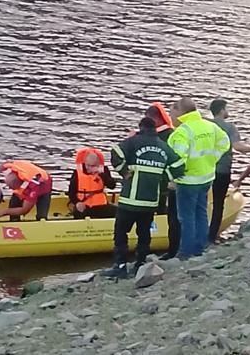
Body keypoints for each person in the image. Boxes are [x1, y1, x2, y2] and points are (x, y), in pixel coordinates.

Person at [102, 117, 185, 278]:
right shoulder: (163, 146)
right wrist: (164, 178)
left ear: (141, 127)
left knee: (120, 233)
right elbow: (180, 165)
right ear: (155, 129)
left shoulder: (133, 142)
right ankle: (140, 264)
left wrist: (124, 171)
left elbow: (115, 152)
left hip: (129, 200)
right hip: (150, 201)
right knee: (144, 234)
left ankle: (120, 266)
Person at [168, 98, 230, 259]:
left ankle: (185, 252)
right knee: (201, 213)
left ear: (180, 112)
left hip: (188, 180)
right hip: (206, 177)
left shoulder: (182, 132)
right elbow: (225, 143)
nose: (171, 117)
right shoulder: (209, 126)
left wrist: (171, 178)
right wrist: (212, 159)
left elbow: (177, 159)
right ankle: (200, 247)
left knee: (186, 217)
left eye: (172, 113)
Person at [208, 98, 250, 244]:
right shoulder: (229, 128)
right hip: (222, 169)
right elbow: (238, 147)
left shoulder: (206, 125)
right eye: (226, 109)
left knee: (200, 203)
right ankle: (211, 236)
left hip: (203, 169)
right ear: (222, 110)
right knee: (218, 203)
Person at [145, 102, 180, 260]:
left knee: (165, 207)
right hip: (158, 178)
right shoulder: (165, 134)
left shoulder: (167, 135)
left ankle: (170, 244)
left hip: (164, 179)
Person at [67, 148, 116, 219]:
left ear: (98, 165)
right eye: (87, 165)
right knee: (78, 212)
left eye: (92, 166)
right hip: (84, 206)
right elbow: (71, 193)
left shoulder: (103, 171)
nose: (88, 168)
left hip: (101, 206)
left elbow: (112, 186)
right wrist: (77, 203)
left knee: (119, 212)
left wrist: (102, 175)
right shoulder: (77, 173)